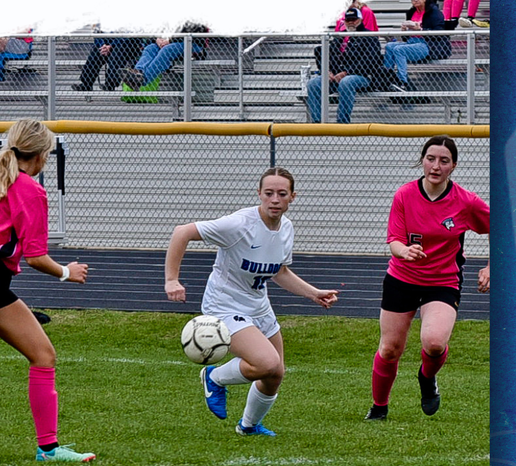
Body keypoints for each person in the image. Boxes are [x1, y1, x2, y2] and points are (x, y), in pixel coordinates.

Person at [165, 168, 338, 436]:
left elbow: (278, 271)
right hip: (224, 305)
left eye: (282, 194)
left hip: (258, 306)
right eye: (268, 193)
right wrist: (172, 280)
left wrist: (312, 293)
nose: (275, 199)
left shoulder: (286, 228)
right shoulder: (238, 224)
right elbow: (182, 232)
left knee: (275, 373)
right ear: (259, 194)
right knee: (265, 362)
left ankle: (248, 426)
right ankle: (213, 377)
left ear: (293, 197)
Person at [366, 135, 490, 420]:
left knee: (434, 343)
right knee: (389, 349)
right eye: (431, 158)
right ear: (422, 160)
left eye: (444, 161)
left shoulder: (466, 201)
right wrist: (404, 252)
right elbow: (395, 240)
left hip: (443, 281)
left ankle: (427, 378)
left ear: (453, 166)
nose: (436, 166)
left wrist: (489, 266)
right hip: (402, 278)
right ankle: (379, 407)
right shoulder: (404, 195)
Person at [0, 119, 94, 462]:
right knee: (43, 356)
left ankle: (49, 449)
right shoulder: (29, 189)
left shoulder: (2, 178)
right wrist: (68, 272)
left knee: (43, 355)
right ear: (40, 156)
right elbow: (36, 256)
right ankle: (48, 449)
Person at [305, 7, 384, 123]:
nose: (351, 22)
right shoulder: (339, 37)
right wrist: (327, 71)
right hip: (337, 77)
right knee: (313, 83)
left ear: (360, 20)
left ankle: (342, 122)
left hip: (362, 76)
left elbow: (370, 61)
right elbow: (326, 54)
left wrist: (346, 72)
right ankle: (317, 121)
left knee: (346, 81)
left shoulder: (369, 36)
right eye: (348, 20)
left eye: (354, 19)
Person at [383, 0, 451, 91]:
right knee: (389, 46)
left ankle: (402, 82)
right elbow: (406, 39)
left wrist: (421, 29)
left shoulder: (434, 11)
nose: (415, 0)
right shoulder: (411, 12)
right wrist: (404, 31)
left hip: (427, 44)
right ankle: (387, 77)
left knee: (399, 50)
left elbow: (439, 33)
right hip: (412, 41)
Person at [121, 22, 209, 90]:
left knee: (167, 50)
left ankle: (142, 80)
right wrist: (157, 39)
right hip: (169, 43)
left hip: (192, 44)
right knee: (150, 48)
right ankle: (138, 72)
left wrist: (170, 41)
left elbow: (195, 31)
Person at [72, 34, 149, 91]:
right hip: (108, 44)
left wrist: (111, 46)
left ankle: (110, 83)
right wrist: (103, 45)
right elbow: (97, 34)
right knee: (96, 50)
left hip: (127, 43)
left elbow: (128, 35)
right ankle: (86, 84)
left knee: (119, 51)